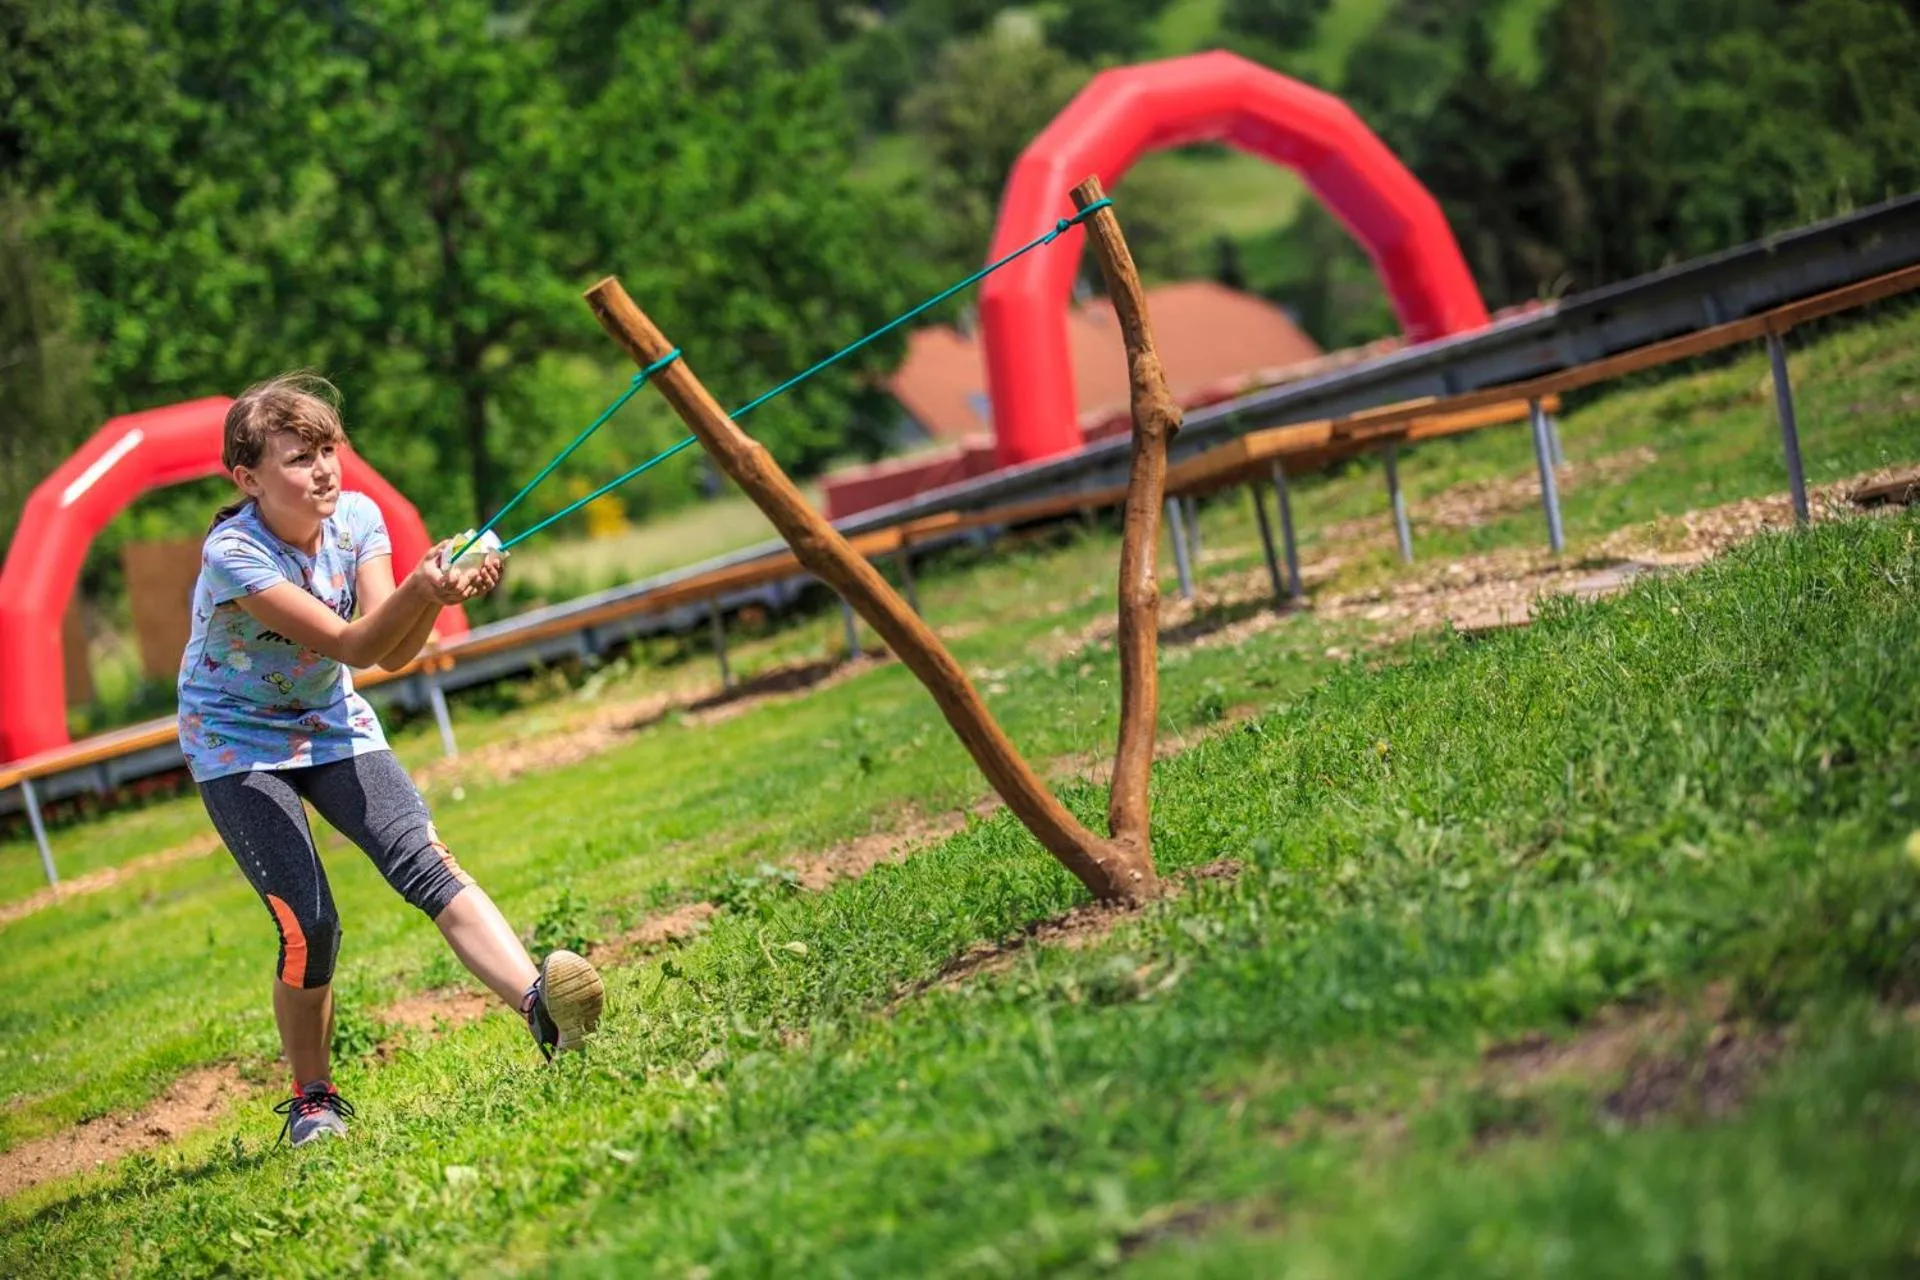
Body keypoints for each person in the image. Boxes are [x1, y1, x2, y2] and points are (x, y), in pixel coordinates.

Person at [177, 373, 603, 1148]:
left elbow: (391, 652)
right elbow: (348, 643)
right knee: (311, 926)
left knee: (427, 862)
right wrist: (423, 587)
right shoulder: (234, 552)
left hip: (330, 720)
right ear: (248, 478)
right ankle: (312, 1100)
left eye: (328, 450)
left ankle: (542, 1009)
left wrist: (431, 597)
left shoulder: (359, 519)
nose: (325, 469)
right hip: (234, 741)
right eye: (300, 457)